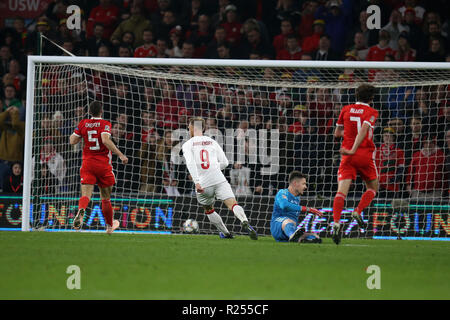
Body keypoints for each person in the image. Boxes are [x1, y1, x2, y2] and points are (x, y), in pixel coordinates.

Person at [182, 117, 258, 240]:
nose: (188, 129)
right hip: (218, 178)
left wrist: (196, 182)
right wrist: (214, 168)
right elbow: (225, 162)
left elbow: (190, 163)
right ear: (204, 128)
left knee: (209, 209)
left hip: (203, 183)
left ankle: (226, 233)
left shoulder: (187, 144)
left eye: (189, 127)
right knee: (233, 204)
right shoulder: (212, 141)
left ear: (192, 128)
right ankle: (244, 220)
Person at [69, 101, 129, 234]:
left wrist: (81, 134)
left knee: (86, 195)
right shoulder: (105, 124)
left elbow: (72, 140)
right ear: (101, 111)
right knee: (105, 198)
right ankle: (109, 227)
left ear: (89, 112)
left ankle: (81, 210)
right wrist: (121, 155)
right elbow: (105, 140)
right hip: (103, 165)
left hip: (87, 164)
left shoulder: (83, 123)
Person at [332, 84, 379, 245]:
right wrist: (354, 148)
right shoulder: (372, 112)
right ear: (372, 98)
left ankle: (336, 223)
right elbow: (364, 129)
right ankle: (358, 211)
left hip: (347, 156)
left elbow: (337, 133)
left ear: (356, 95)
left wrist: (349, 140)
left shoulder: (346, 109)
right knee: (372, 188)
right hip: (364, 155)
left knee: (341, 192)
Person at [270, 171, 323, 243]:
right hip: (278, 226)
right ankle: (293, 236)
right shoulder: (282, 192)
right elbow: (284, 205)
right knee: (288, 221)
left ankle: (298, 238)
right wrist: (307, 209)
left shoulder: (297, 198)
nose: (305, 187)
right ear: (295, 183)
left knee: (315, 237)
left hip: (291, 228)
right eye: (303, 184)